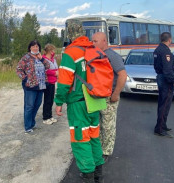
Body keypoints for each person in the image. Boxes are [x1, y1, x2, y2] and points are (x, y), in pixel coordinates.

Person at [55, 35, 105, 182]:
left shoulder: (71, 52)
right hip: (95, 100)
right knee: (94, 137)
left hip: (78, 103)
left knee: (80, 139)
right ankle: (98, 173)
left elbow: (64, 82)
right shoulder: (94, 50)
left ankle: (88, 175)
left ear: (70, 35)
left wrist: (59, 101)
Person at [92, 32, 127, 160]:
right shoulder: (96, 55)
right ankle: (99, 148)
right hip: (97, 96)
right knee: (98, 125)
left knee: (108, 126)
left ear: (104, 41)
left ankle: (106, 152)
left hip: (109, 96)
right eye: (92, 41)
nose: (93, 43)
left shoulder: (113, 56)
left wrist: (116, 94)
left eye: (95, 41)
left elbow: (123, 75)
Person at [16, 40, 50, 133]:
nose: (35, 48)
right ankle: (28, 126)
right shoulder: (26, 58)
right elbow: (18, 69)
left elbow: (48, 66)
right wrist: (25, 78)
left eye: (37, 46)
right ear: (30, 47)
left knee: (37, 105)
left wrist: (42, 59)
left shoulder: (40, 57)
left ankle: (32, 123)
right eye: (33, 46)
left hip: (41, 85)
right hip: (30, 86)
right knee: (29, 106)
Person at [153, 32, 174, 138]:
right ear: (169, 40)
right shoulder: (165, 51)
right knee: (164, 105)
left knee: (162, 104)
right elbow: (167, 71)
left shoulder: (157, 49)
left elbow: (157, 66)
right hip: (166, 81)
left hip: (160, 78)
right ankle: (159, 129)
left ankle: (162, 125)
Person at [42, 44, 59, 125]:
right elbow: (46, 70)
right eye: (52, 50)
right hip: (47, 81)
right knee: (47, 100)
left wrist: (57, 72)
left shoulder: (53, 60)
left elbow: (56, 68)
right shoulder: (44, 59)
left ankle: (50, 115)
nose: (53, 52)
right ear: (49, 51)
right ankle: (45, 117)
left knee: (51, 99)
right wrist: (55, 73)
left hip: (53, 81)